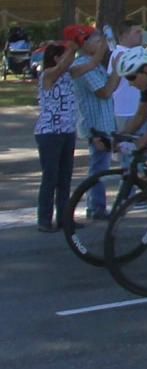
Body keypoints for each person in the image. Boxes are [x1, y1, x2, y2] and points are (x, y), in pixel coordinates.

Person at [67, 24, 120, 219]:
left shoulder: (94, 65)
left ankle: (96, 205)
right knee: (98, 169)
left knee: (101, 166)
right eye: (97, 42)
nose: (101, 45)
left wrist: (116, 71)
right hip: (96, 125)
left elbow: (111, 86)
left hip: (105, 123)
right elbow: (105, 92)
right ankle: (96, 207)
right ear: (86, 45)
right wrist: (116, 71)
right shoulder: (84, 66)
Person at [34, 41, 78, 232]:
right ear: (56, 57)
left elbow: (92, 64)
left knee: (65, 178)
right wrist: (73, 47)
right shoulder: (48, 75)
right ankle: (44, 219)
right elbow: (60, 67)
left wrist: (101, 44)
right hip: (49, 132)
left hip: (68, 131)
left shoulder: (70, 74)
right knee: (50, 177)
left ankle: (64, 218)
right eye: (65, 56)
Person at [109, 19, 147, 133]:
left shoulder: (139, 52)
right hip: (128, 113)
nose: (141, 35)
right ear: (124, 35)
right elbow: (143, 60)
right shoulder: (118, 54)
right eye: (137, 32)